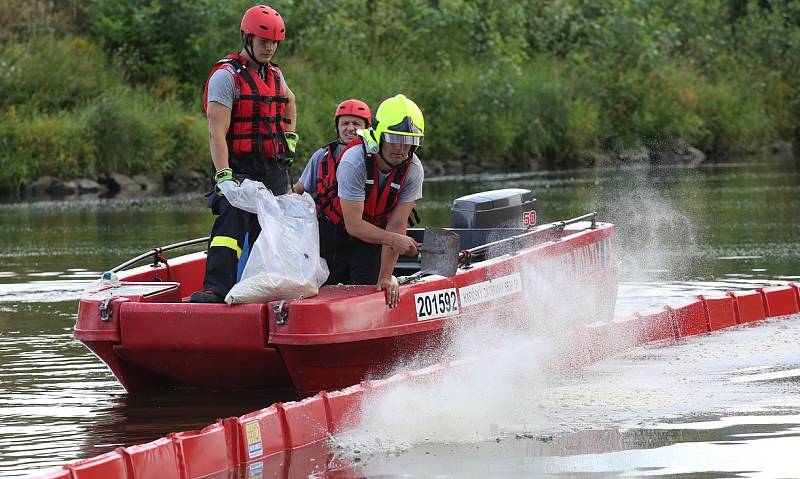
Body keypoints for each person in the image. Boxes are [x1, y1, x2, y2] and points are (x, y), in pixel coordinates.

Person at [190, 4, 298, 303]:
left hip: (271, 165)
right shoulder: (226, 77)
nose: (270, 48)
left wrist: (289, 139)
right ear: (247, 38)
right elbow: (216, 131)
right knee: (230, 226)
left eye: (275, 43)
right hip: (237, 165)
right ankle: (218, 288)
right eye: (264, 42)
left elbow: (289, 101)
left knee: (274, 227)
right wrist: (223, 175)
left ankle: (270, 291)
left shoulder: (275, 74)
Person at [314, 94, 424, 308]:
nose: (401, 148)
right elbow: (353, 225)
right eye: (394, 138)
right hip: (333, 234)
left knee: (366, 291)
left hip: (372, 237)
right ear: (380, 135)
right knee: (326, 292)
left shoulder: (414, 169)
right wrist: (394, 240)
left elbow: (398, 224)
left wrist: (385, 277)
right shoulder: (354, 161)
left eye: (409, 141)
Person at [293, 99, 372, 195]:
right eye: (345, 123)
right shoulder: (322, 155)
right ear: (337, 128)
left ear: (367, 128)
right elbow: (297, 190)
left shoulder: (376, 158)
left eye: (356, 124)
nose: (351, 128)